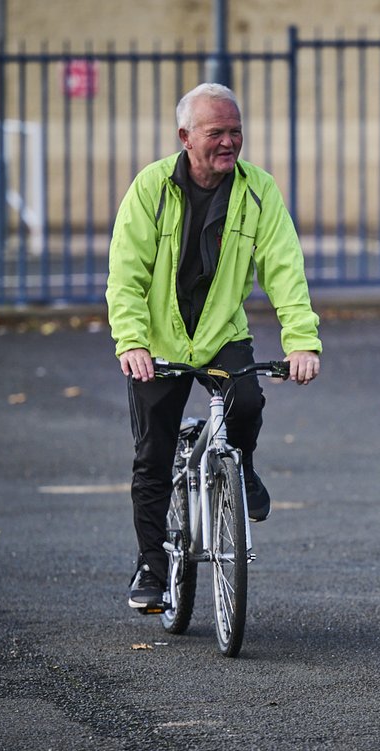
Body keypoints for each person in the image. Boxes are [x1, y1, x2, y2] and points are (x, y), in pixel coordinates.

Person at [106, 82, 322, 612]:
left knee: (247, 403)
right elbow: (124, 276)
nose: (229, 142)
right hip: (158, 341)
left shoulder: (258, 191)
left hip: (222, 333)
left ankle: (241, 465)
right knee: (152, 456)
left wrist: (301, 342)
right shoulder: (151, 188)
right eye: (215, 133)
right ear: (185, 137)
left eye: (236, 131)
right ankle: (153, 567)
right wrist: (131, 342)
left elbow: (285, 271)